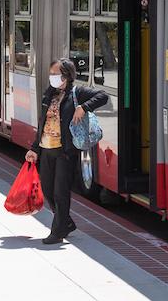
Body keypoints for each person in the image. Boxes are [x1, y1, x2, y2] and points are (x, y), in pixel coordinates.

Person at [25, 59, 109, 244]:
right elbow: (43, 123)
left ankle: (57, 232)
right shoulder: (50, 94)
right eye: (51, 73)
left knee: (60, 193)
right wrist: (34, 148)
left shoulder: (77, 92)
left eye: (55, 74)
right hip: (46, 149)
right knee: (47, 190)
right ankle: (66, 223)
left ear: (66, 76)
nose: (52, 77)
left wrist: (83, 107)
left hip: (65, 152)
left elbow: (103, 96)